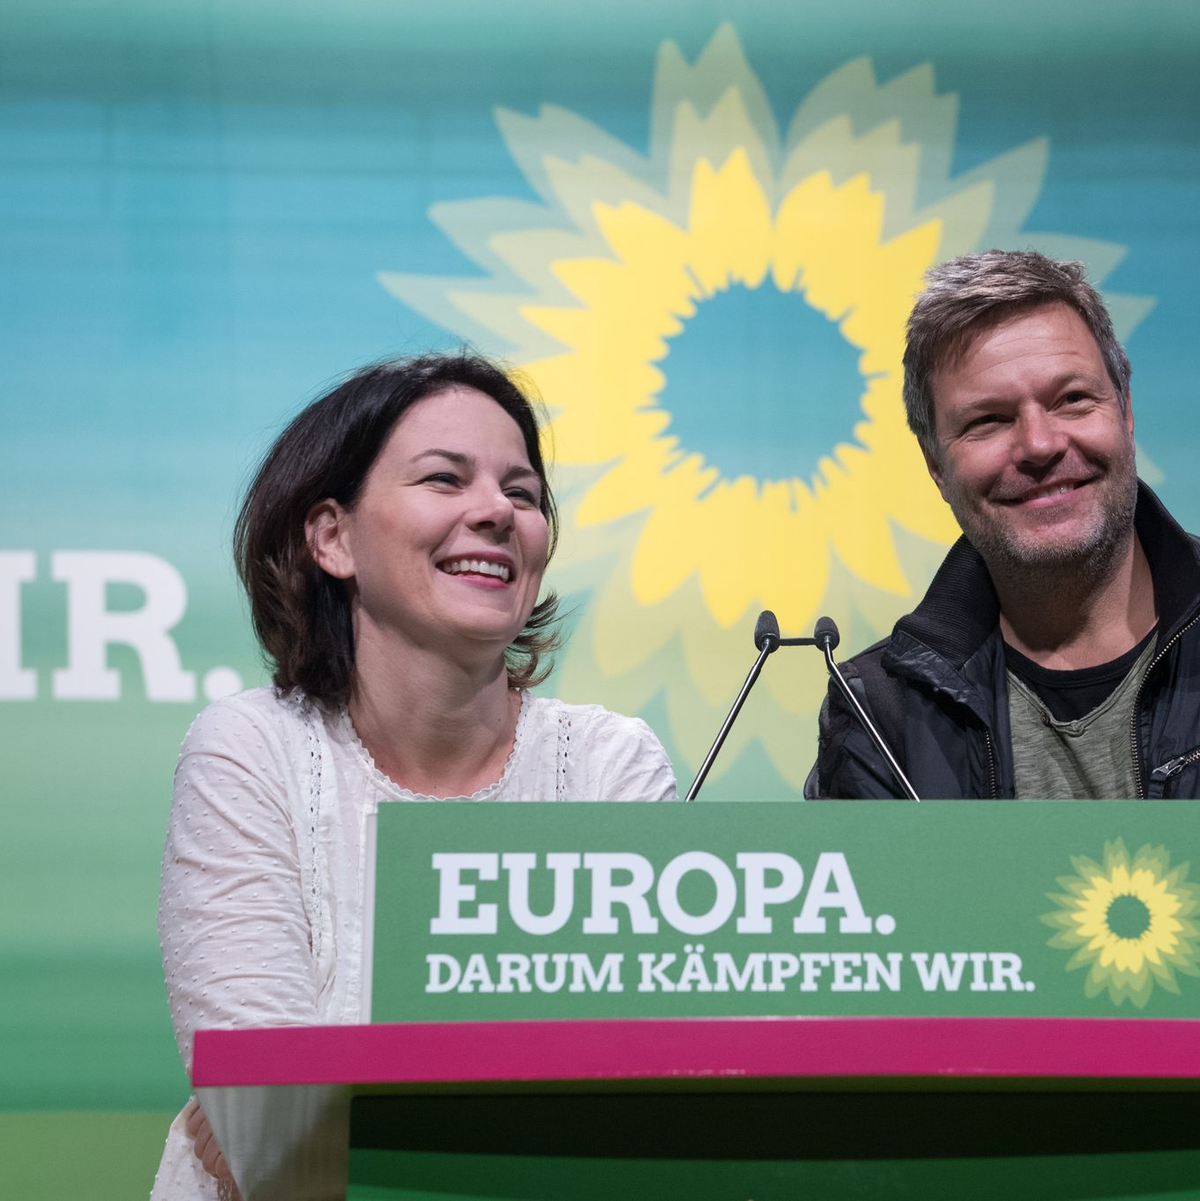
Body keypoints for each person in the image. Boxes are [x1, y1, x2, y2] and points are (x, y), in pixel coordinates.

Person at [151, 353, 677, 1198]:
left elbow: (641, 1112)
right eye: (445, 479)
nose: (497, 513)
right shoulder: (249, 750)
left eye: (524, 492)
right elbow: (273, 1127)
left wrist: (347, 1111)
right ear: (332, 536)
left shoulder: (612, 765)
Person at [807, 249, 1200, 800]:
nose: (1039, 445)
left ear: (1126, 411)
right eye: (989, 421)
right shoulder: (879, 719)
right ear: (935, 466)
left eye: (1071, 400)